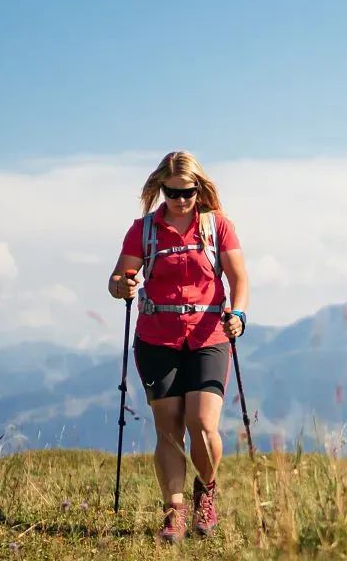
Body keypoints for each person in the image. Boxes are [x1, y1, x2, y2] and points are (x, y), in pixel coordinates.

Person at [107, 150, 250, 543]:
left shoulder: (219, 227)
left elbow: (239, 279)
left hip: (209, 337)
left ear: (198, 188)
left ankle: (207, 492)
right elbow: (119, 276)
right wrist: (122, 285)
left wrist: (237, 314)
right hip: (157, 339)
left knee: (202, 424)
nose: (180, 199)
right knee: (168, 428)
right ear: (161, 189)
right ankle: (175, 513)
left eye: (187, 192)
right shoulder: (143, 230)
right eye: (172, 192)